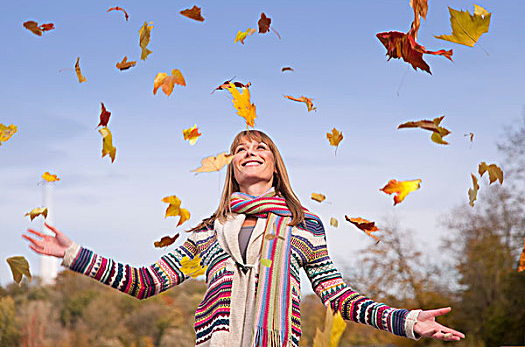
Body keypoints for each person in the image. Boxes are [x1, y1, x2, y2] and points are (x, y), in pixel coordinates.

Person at [24, 130, 465, 346]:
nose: (249, 152)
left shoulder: (303, 225)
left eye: (260, 147)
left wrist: (407, 322)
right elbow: (146, 282)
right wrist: (74, 255)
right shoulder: (207, 230)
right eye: (240, 149)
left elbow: (340, 299)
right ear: (233, 167)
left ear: (275, 165)